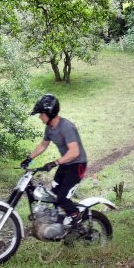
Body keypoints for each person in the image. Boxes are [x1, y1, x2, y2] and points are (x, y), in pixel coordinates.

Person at [21, 94, 88, 226]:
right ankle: (59, 224)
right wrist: (29, 158)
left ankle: (77, 218)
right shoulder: (49, 128)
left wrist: (55, 162)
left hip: (77, 164)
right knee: (53, 194)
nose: (40, 117)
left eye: (41, 114)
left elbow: (74, 152)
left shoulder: (67, 127)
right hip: (65, 163)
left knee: (62, 198)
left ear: (49, 113)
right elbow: (43, 145)